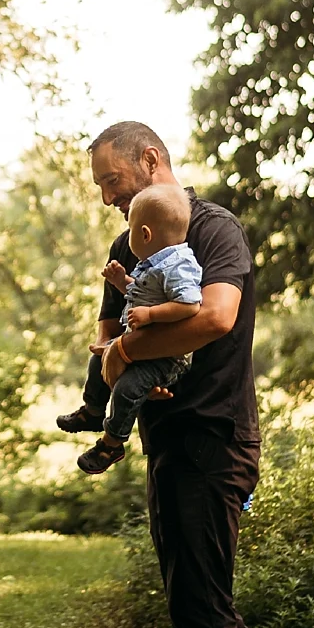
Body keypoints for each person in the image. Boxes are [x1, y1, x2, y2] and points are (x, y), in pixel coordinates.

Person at [63, 120, 310, 628]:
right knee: (207, 602)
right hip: (166, 439)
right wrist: (110, 352)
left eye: (112, 181)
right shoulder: (128, 246)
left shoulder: (212, 228)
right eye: (101, 187)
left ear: (150, 161)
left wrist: (123, 360)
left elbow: (213, 319)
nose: (107, 197)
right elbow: (108, 328)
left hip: (214, 435)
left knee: (199, 608)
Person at [70, 180, 203, 476]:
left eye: (130, 230)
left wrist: (152, 315)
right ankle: (92, 411)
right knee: (99, 359)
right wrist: (121, 283)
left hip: (167, 356)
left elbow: (190, 305)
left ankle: (111, 443)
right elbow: (142, 294)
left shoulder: (179, 265)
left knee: (129, 388)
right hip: (141, 346)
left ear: (144, 233)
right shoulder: (154, 263)